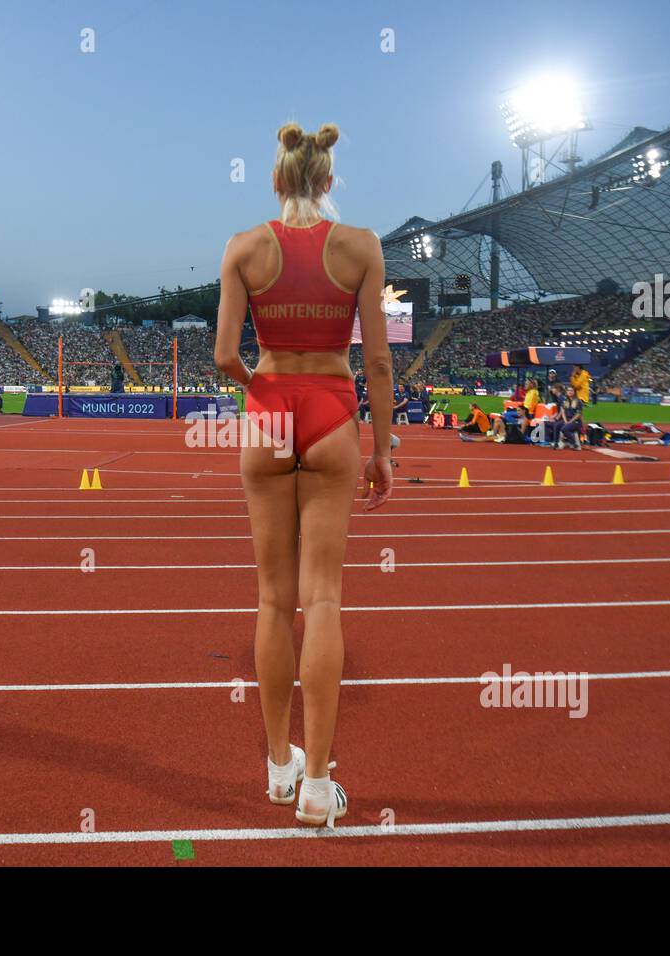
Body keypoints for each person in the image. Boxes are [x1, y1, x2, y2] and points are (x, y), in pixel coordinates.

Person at [214, 120, 391, 828]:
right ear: (327, 180)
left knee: (271, 601)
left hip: (268, 412)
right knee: (322, 601)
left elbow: (226, 353)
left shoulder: (244, 247)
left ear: (276, 178)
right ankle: (318, 787)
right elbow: (377, 361)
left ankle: (279, 768)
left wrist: (260, 385)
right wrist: (384, 448)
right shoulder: (361, 247)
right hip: (332, 412)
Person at [557, 385, 584, 450]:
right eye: (568, 390)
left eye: (571, 390)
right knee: (556, 425)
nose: (570, 392)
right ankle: (557, 443)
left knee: (564, 429)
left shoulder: (578, 401)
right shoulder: (566, 401)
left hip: (576, 421)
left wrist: (569, 422)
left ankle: (574, 444)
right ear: (566, 392)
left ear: (574, 392)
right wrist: (565, 421)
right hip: (568, 420)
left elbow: (578, 414)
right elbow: (563, 411)